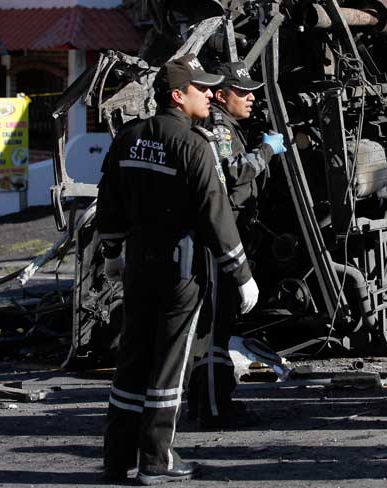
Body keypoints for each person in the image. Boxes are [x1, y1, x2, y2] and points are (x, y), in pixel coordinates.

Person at [97, 54, 260, 484]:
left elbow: (108, 203)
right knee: (169, 364)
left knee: (132, 359)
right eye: (200, 88)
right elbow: (215, 212)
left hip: (137, 266)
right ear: (177, 95)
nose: (210, 93)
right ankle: (156, 460)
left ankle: (118, 458)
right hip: (180, 270)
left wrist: (112, 253)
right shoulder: (194, 144)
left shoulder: (128, 139)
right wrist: (241, 274)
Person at [189, 60, 287, 429]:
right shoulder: (218, 127)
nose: (250, 98)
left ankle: (205, 401)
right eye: (242, 92)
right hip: (221, 237)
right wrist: (265, 151)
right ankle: (215, 406)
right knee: (217, 323)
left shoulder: (225, 124)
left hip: (227, 233)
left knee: (215, 324)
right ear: (219, 94)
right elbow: (232, 173)